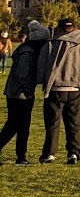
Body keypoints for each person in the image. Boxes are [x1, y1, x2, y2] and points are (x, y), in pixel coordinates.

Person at [38, 16, 80, 163]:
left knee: (52, 123)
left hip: (55, 88)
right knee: (74, 122)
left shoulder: (52, 44)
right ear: (75, 27)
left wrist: (41, 81)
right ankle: (73, 152)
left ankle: (49, 153)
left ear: (59, 28)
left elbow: (42, 65)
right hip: (75, 88)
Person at [2, 21, 49, 164]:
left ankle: (21, 156)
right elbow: (22, 75)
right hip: (20, 94)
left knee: (15, 126)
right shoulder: (28, 53)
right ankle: (21, 156)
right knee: (19, 126)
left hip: (17, 92)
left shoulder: (26, 50)